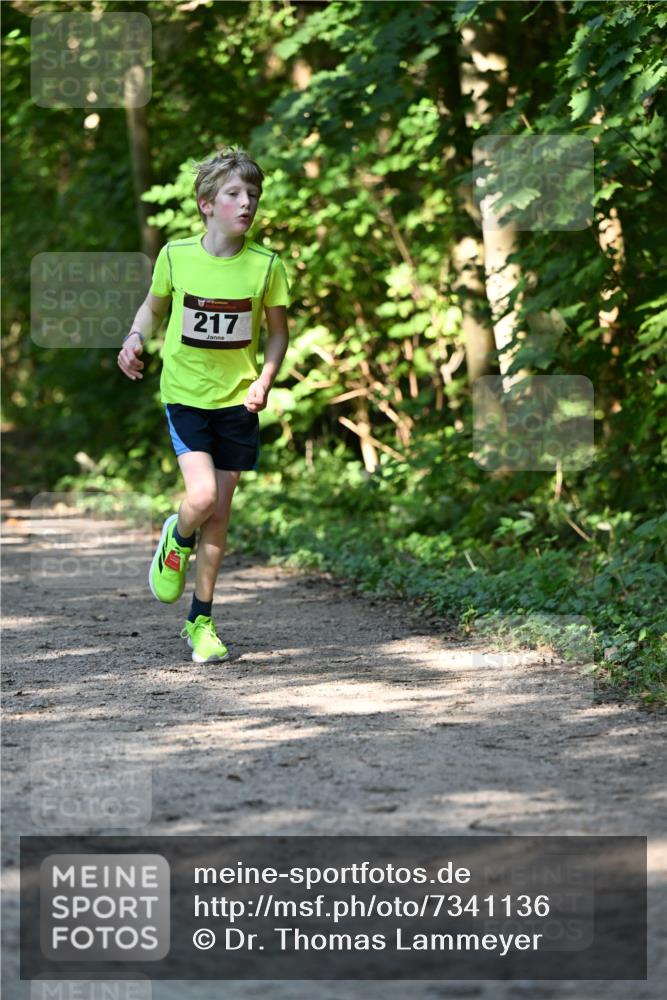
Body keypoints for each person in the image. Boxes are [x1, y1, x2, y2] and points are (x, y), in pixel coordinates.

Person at [117, 147, 290, 663]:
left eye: (252, 196)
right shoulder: (175, 256)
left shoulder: (267, 266)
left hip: (239, 402)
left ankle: (201, 622)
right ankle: (177, 533)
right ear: (206, 204)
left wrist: (265, 379)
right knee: (201, 499)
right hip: (187, 397)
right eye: (234, 194)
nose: (246, 204)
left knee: (220, 514)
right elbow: (153, 308)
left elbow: (278, 334)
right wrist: (133, 338)